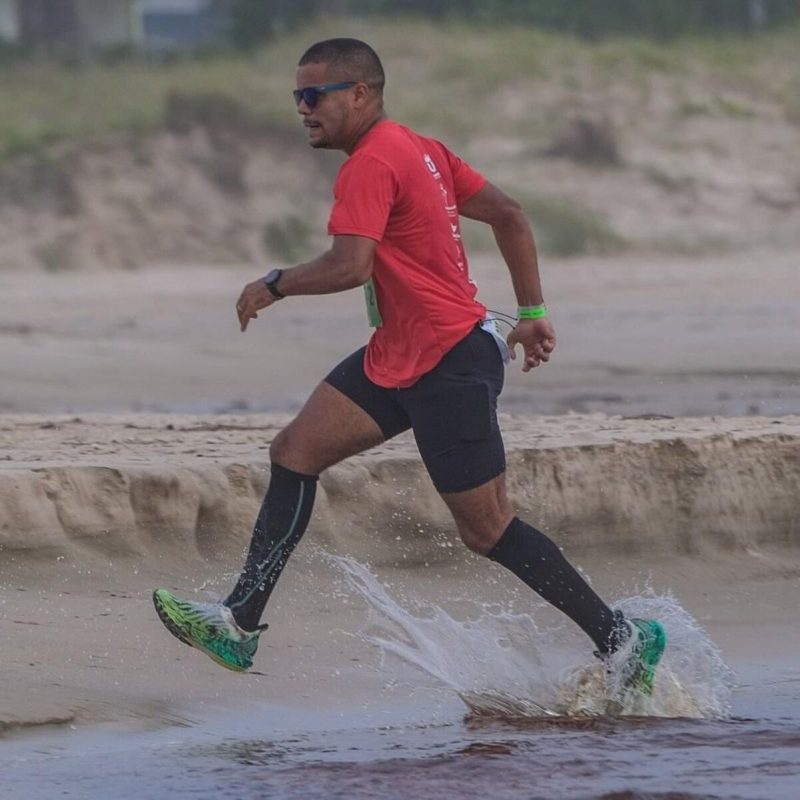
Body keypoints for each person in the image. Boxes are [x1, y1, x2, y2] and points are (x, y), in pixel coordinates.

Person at [153, 38, 665, 699]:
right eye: (296, 98)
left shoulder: (371, 162)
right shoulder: (422, 149)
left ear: (359, 94)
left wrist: (276, 283)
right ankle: (239, 622)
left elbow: (349, 265)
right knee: (295, 452)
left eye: (314, 96)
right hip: (402, 354)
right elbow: (509, 214)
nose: (303, 109)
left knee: (486, 528)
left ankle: (622, 637)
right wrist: (532, 310)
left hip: (448, 362)